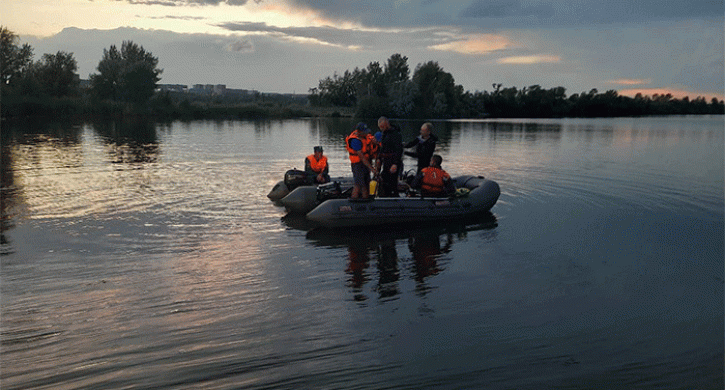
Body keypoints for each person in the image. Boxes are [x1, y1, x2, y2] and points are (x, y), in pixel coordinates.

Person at [345, 122, 376, 199]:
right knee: (359, 184)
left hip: (364, 164)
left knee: (366, 183)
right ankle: (354, 200)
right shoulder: (355, 141)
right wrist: (372, 169)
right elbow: (362, 157)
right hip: (357, 165)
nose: (366, 134)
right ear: (359, 132)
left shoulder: (365, 137)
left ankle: (366, 200)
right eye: (364, 132)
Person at [377, 116, 404, 197]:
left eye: (382, 127)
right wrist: (379, 158)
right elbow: (383, 147)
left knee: (392, 182)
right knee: (384, 179)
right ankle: (385, 196)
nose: (381, 129)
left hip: (393, 161)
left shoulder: (396, 134)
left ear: (387, 124)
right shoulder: (385, 133)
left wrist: (395, 163)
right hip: (386, 161)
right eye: (380, 127)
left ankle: (394, 197)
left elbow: (399, 150)